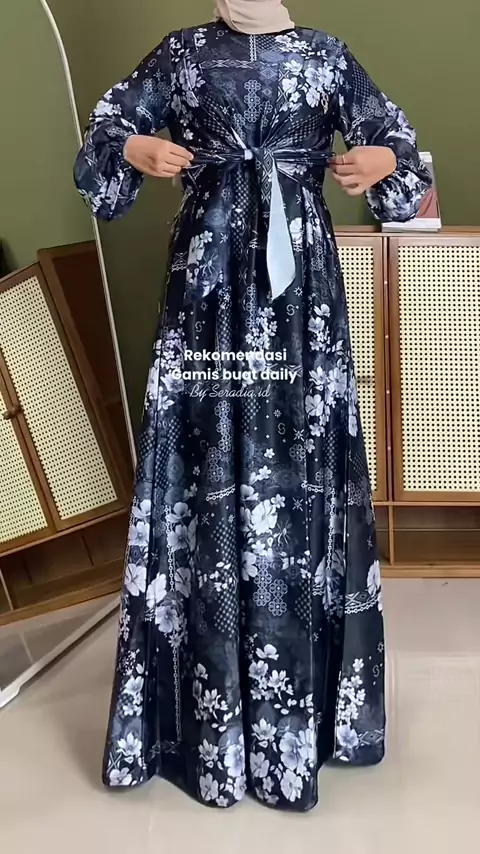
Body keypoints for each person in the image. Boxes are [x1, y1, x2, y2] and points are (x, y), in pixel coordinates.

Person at [74, 0, 431, 811]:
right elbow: (104, 141)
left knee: (300, 469)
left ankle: (302, 717)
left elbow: (397, 151)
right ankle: (207, 720)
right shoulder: (181, 52)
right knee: (204, 465)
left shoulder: (327, 55)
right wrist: (132, 146)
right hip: (206, 291)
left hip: (300, 296)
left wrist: (381, 159)